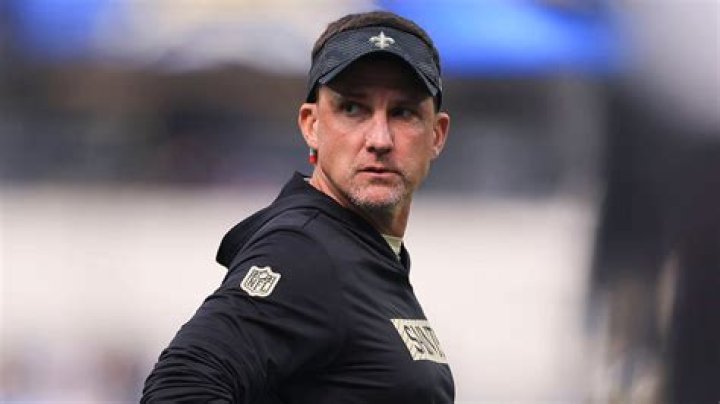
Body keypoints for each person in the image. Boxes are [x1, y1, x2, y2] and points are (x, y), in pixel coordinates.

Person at [142, 10, 453, 403]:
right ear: (311, 125)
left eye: (403, 112)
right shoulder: (304, 251)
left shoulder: (362, 252)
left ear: (437, 134)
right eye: (352, 109)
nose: (379, 139)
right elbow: (178, 388)